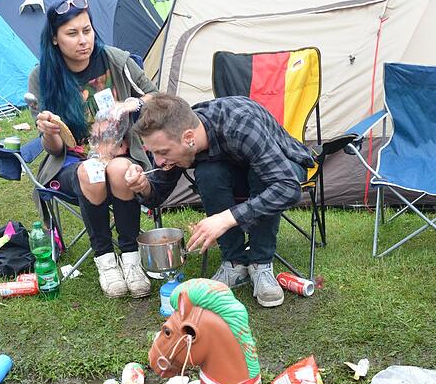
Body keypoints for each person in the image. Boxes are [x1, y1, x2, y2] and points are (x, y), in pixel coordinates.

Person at [126, 93, 312, 308]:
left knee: (261, 177)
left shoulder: (241, 125)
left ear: (188, 137)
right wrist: (144, 187)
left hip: (282, 166)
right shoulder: (177, 132)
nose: (158, 161)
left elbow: (287, 188)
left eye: (163, 152)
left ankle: (261, 263)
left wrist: (227, 218)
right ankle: (234, 263)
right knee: (209, 172)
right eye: (153, 153)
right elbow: (156, 196)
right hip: (237, 171)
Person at [28, 0, 158, 299]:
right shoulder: (42, 77)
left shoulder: (116, 61)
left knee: (121, 169)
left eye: (87, 30)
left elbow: (156, 97)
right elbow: (55, 149)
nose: (83, 40)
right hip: (73, 163)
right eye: (72, 34)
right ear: (56, 39)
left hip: (121, 152)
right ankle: (105, 261)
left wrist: (132, 103)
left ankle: (131, 259)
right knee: (92, 171)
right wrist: (48, 130)